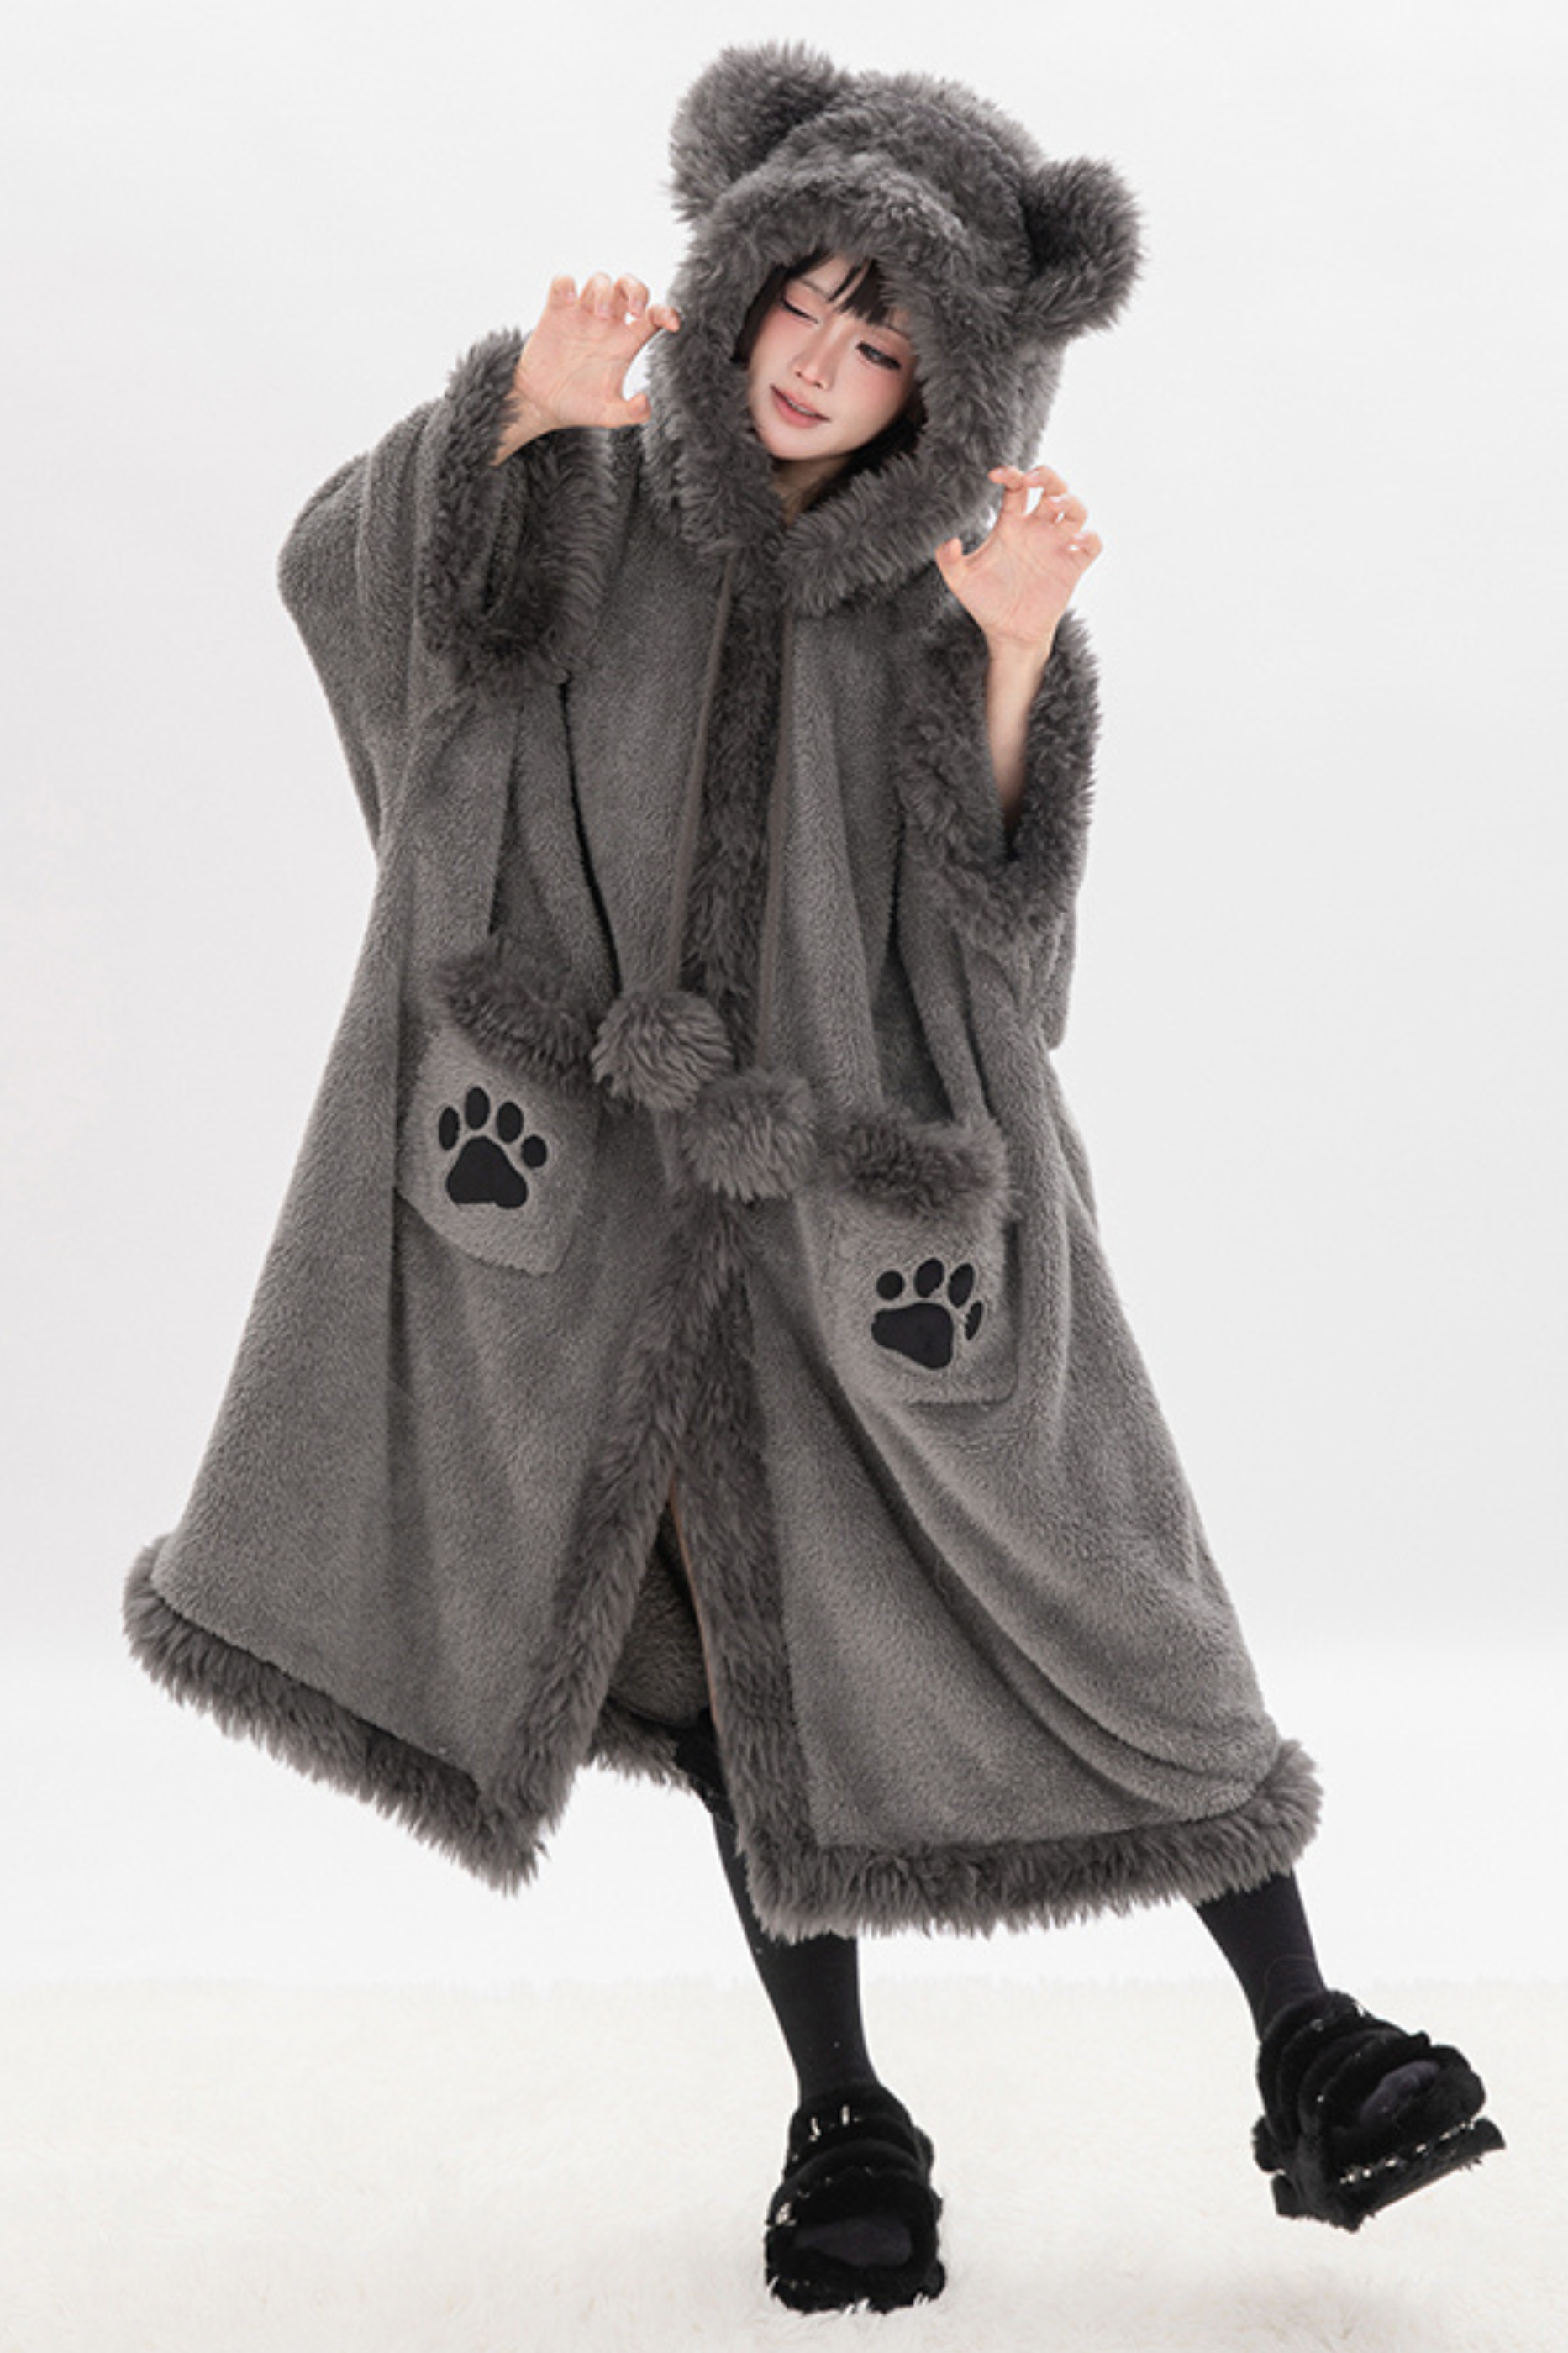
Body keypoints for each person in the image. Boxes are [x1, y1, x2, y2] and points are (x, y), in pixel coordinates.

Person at [124, 44, 1502, 2317]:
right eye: (808, 294)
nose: (824, 357)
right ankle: (845, 2114)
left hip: (870, 1221)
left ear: (949, 384)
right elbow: (351, 596)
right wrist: (509, 429)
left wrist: (1021, 654)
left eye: (888, 335)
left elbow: (1007, 964)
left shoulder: (948, 595)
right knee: (741, 1655)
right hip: (599, 1199)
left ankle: (1312, 2043)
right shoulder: (587, 479)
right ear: (742, 266)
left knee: (1107, 1584)